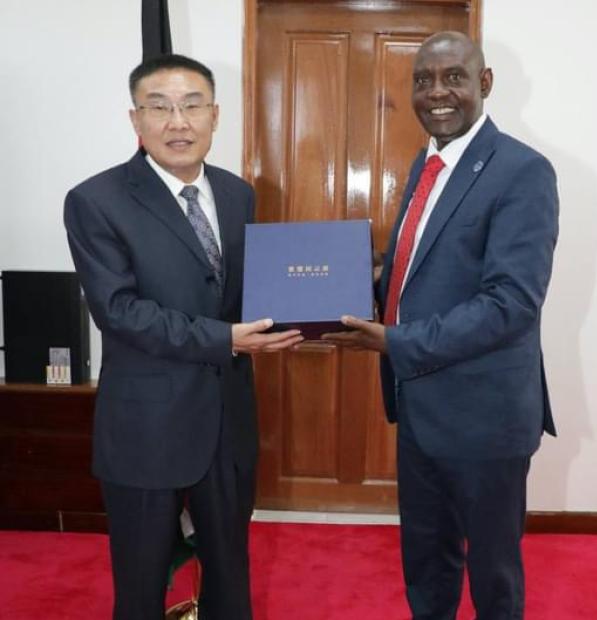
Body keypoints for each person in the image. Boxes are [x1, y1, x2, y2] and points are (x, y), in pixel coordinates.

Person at [323, 32, 558, 619]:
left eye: (453, 77)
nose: (436, 93)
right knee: (426, 562)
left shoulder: (522, 172)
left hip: (486, 415)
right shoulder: (426, 163)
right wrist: (345, 284)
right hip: (422, 406)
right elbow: (418, 270)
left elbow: (511, 303)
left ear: (484, 84)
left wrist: (395, 341)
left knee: (492, 577)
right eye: (423, 80)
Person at [63, 54, 303, 620]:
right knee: (142, 586)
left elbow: (250, 293)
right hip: (147, 429)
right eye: (160, 107)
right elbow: (120, 312)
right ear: (135, 119)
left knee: (230, 575)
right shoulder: (96, 201)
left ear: (214, 115)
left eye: (192, 106)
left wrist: (317, 304)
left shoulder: (238, 193)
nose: (178, 122)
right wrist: (228, 339)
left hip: (228, 423)